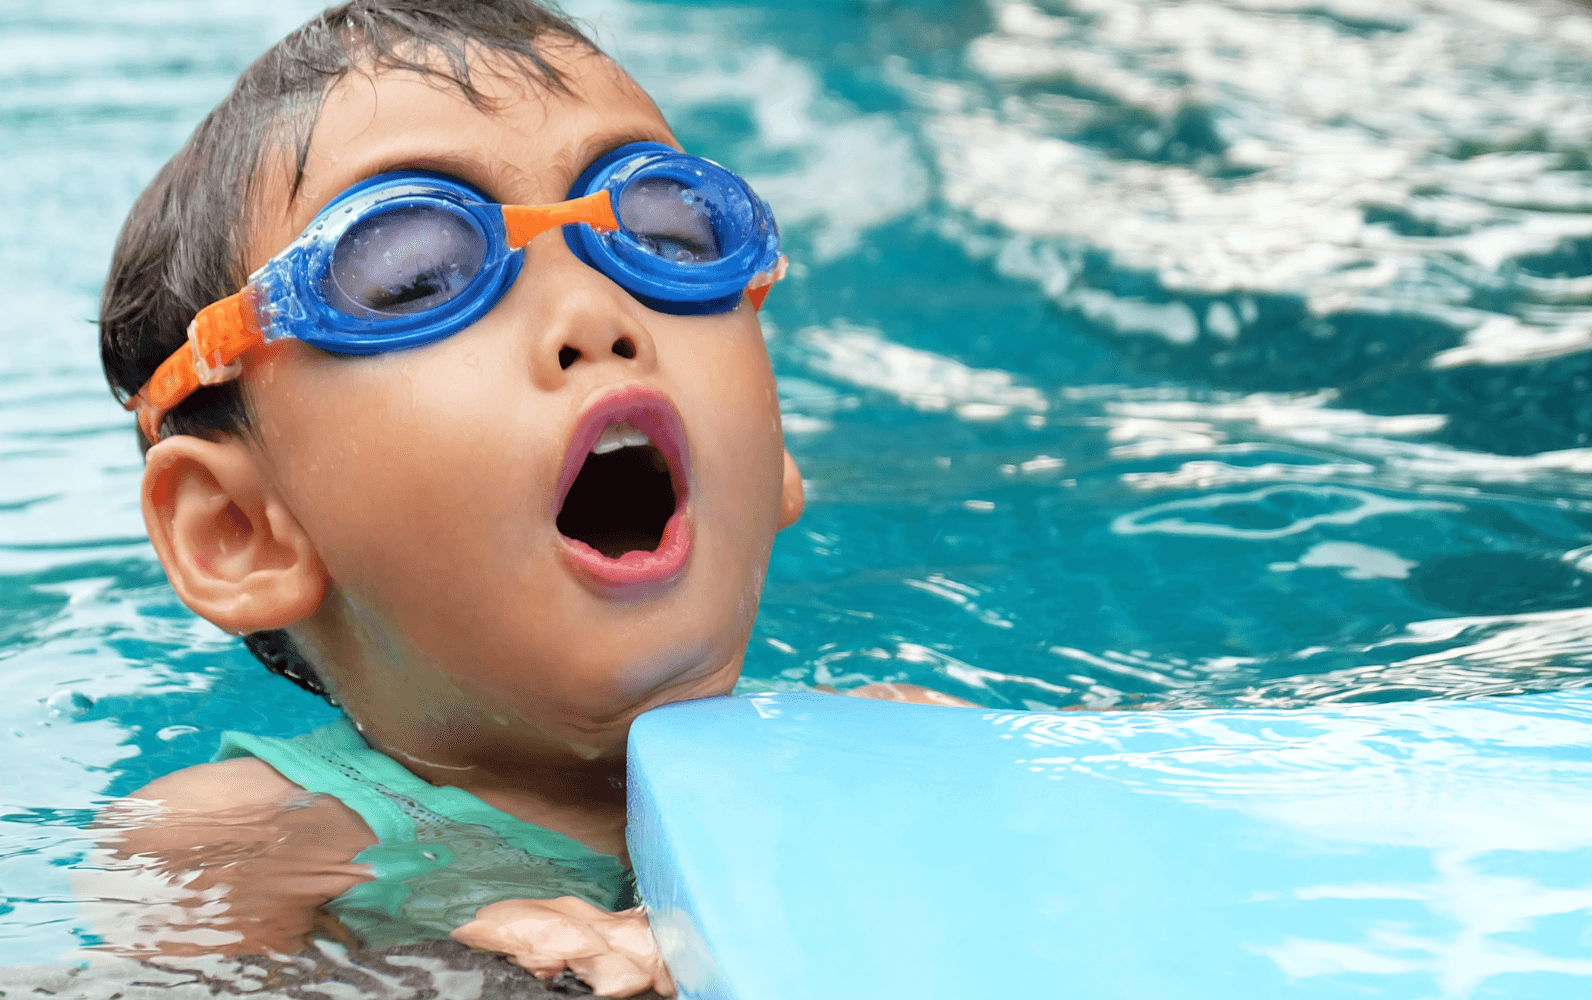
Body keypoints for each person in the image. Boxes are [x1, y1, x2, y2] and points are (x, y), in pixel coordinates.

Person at [85, 1, 970, 994]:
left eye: (670, 236)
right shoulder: (249, 837)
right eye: (416, 276)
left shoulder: (884, 748)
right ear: (241, 533)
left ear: (774, 452)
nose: (596, 315)